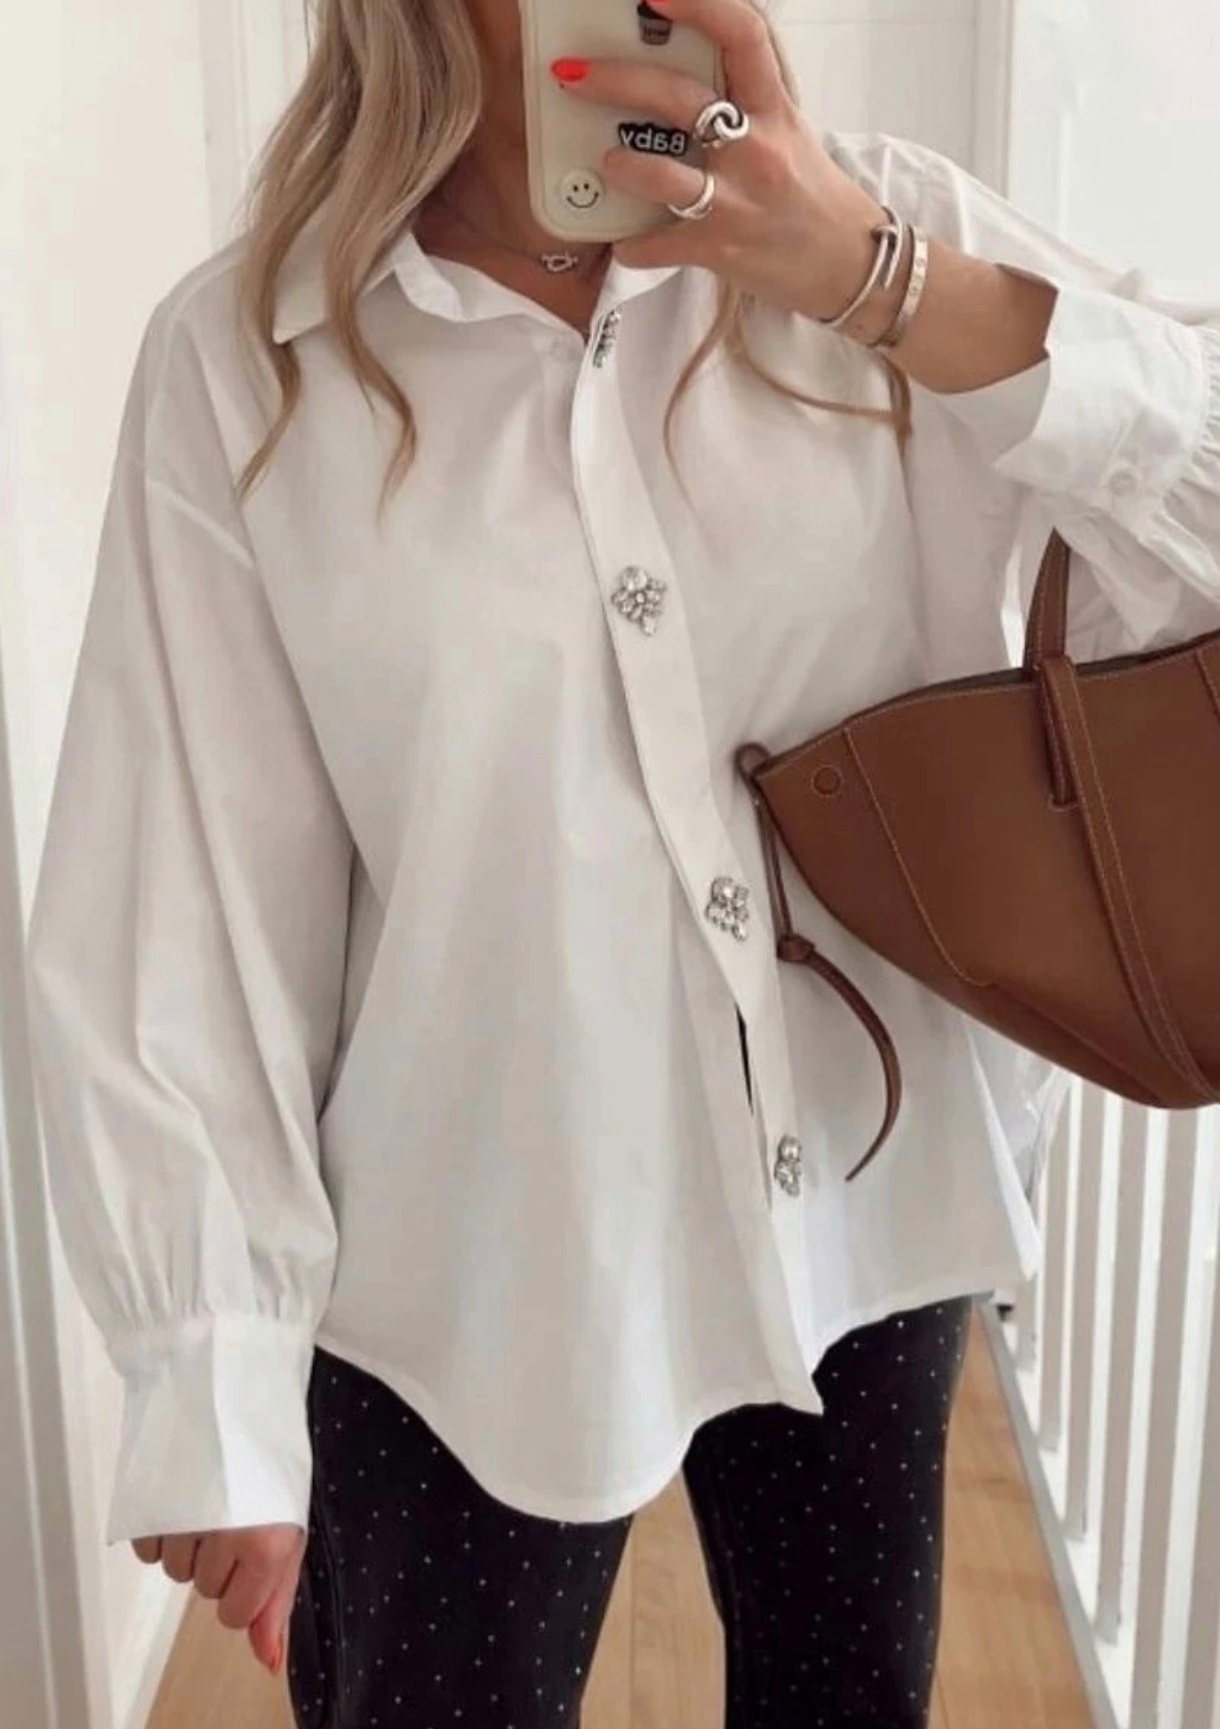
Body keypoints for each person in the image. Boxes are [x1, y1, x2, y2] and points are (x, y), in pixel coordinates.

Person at [23, 0, 1220, 1722]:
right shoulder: (248, 359)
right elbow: (186, 885)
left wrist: (872, 279)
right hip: (468, 1265)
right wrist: (205, 1360)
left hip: (860, 1202)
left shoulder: (884, 225)